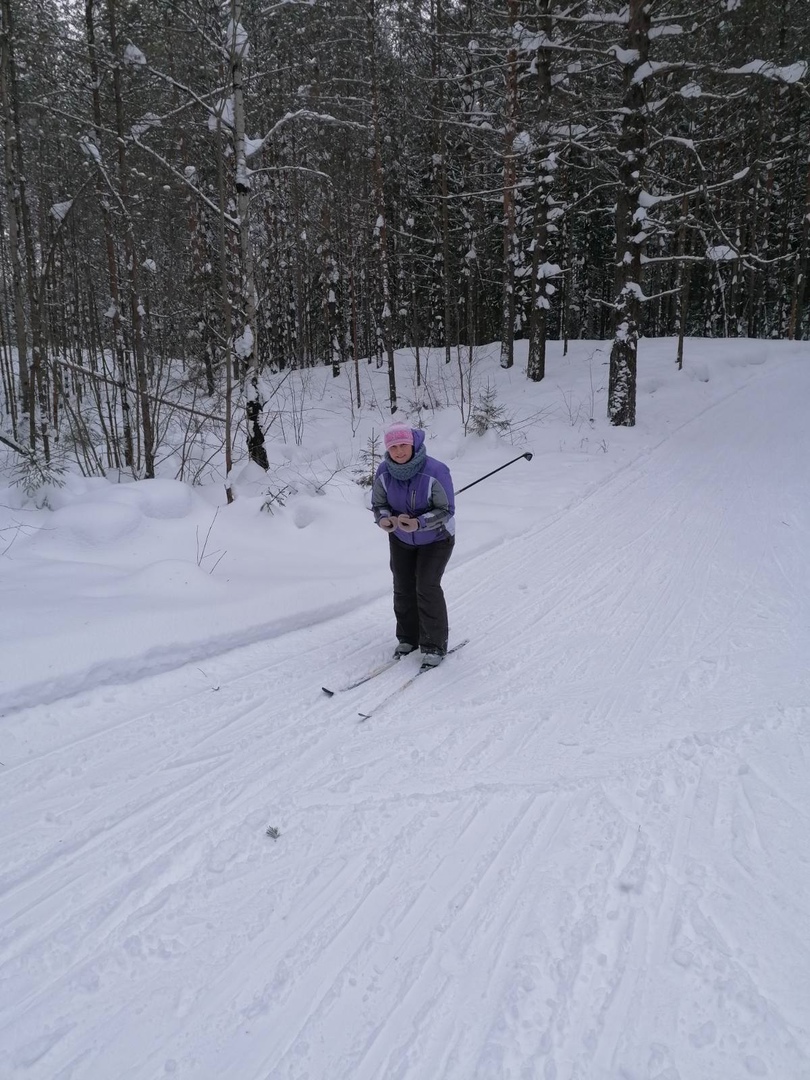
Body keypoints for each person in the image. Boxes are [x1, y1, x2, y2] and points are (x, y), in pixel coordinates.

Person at [371, 423, 455, 666]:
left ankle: (434, 644)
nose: (398, 451)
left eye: (403, 445)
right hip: (400, 538)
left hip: (437, 539)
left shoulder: (435, 471)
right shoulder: (384, 472)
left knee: (426, 586)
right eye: (393, 447)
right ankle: (408, 637)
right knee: (403, 586)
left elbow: (446, 510)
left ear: (413, 445)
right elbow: (378, 503)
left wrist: (419, 523)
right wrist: (384, 519)